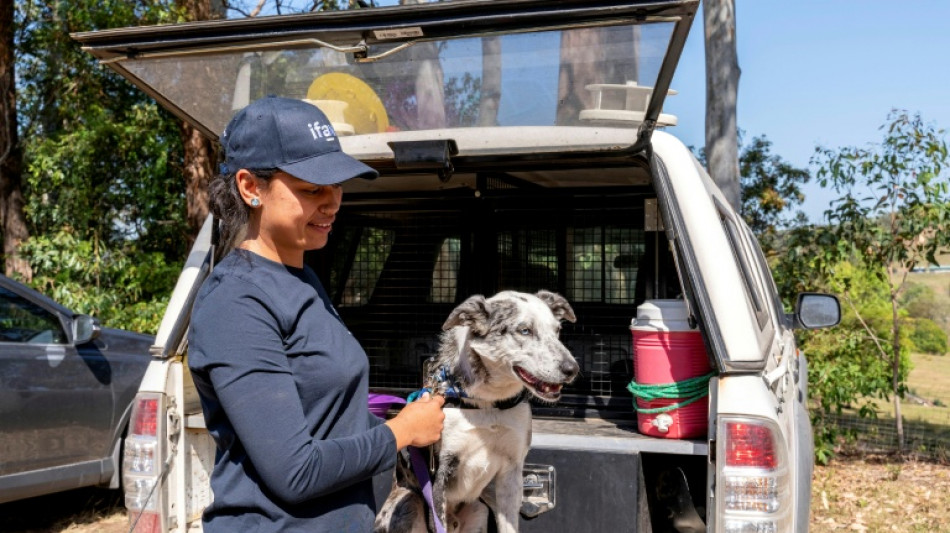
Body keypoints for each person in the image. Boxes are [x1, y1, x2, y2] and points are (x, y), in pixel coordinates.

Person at [188, 96, 445, 533]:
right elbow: (296, 471)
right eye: (312, 189)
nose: (332, 202)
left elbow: (327, 420)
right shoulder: (235, 303)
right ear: (251, 188)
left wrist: (402, 417)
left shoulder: (301, 278)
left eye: (337, 185)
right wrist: (402, 432)